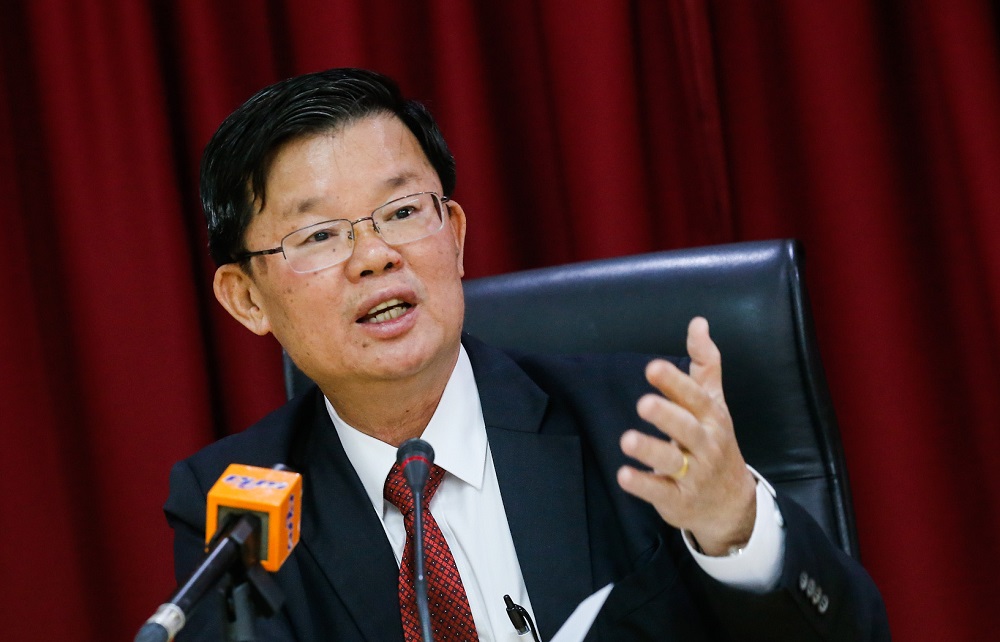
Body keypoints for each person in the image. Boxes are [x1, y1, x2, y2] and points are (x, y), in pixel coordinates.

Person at [164, 68, 889, 640]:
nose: (375, 256)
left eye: (403, 212)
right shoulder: (235, 502)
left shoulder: (635, 424)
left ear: (453, 233)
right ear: (246, 298)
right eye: (319, 235)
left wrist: (735, 526)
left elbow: (853, 634)